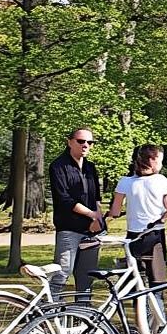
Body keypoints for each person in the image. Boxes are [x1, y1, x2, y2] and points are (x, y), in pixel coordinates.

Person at [109, 144, 167, 315]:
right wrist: (160, 218)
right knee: (157, 284)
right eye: (160, 160)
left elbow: (115, 212)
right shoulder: (161, 181)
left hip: (133, 237)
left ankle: (140, 326)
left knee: (136, 285)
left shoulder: (125, 182)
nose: (161, 164)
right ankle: (158, 327)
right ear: (152, 160)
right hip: (154, 236)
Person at [49, 128, 104, 302]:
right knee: (61, 274)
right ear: (70, 142)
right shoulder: (58, 166)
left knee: (86, 278)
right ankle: (47, 314)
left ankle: (84, 319)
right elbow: (64, 199)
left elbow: (96, 198)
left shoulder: (90, 167)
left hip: (92, 230)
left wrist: (99, 220)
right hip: (69, 228)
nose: (85, 145)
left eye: (90, 142)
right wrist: (91, 215)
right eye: (81, 141)